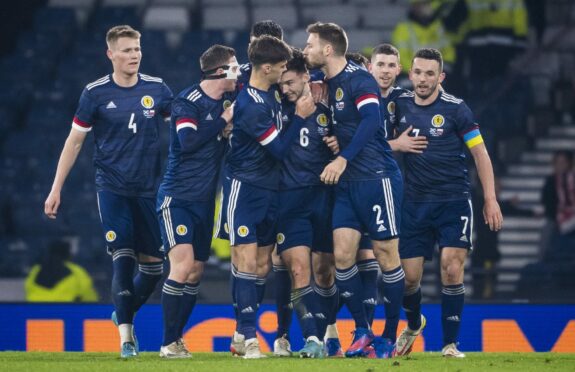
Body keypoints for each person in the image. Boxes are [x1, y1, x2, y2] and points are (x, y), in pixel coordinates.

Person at [44, 25, 173, 358]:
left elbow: (184, 126)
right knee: (122, 260)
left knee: (154, 268)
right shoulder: (95, 93)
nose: (134, 55)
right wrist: (56, 187)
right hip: (112, 187)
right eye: (127, 50)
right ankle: (126, 338)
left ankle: (123, 313)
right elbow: (74, 142)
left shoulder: (157, 89)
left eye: (137, 49)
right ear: (111, 54)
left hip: (148, 189)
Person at [391, 48, 502, 358]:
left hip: (453, 202)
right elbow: (374, 142)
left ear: (440, 76)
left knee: (451, 269)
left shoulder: (457, 109)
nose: (423, 79)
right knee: (409, 278)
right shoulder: (397, 105)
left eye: (430, 73)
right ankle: (414, 324)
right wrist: (396, 144)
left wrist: (490, 199)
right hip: (413, 204)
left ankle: (450, 344)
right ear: (410, 74)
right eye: (418, 72)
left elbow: (480, 154)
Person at [304, 22, 405, 359]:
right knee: (343, 256)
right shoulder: (324, 83)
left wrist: (343, 157)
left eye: (311, 44)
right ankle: (362, 330)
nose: (307, 49)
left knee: (387, 256)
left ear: (328, 50)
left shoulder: (360, 79)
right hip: (347, 184)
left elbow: (372, 121)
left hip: (377, 178)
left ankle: (389, 336)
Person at [221, 35, 314, 359]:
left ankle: (238, 333)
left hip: (269, 192)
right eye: (281, 67)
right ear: (266, 68)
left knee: (261, 266)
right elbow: (278, 150)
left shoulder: (270, 97)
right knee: (246, 262)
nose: (284, 71)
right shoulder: (249, 104)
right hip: (245, 190)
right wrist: (301, 117)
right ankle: (248, 338)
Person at [156, 44, 238, 358]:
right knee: (183, 265)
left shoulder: (230, 97)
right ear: (220, 72)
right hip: (177, 198)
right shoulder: (187, 101)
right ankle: (167, 342)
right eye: (233, 67)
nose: (238, 72)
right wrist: (223, 121)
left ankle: (176, 339)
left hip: (204, 202)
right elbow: (187, 141)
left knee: (195, 272)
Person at [275, 48, 340, 358]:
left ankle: (329, 332)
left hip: (325, 198)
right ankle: (311, 339)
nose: (284, 89)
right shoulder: (277, 107)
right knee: (299, 270)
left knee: (326, 273)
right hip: (289, 201)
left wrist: (338, 145)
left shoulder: (329, 102)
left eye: (289, 82)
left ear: (305, 76)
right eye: (281, 84)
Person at [369, 43, 429, 153]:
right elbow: (355, 146)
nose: (385, 70)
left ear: (398, 69)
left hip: (391, 168)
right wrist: (396, 144)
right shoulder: (357, 98)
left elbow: (439, 105)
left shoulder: (402, 97)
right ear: (370, 68)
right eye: (380, 64)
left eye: (391, 65)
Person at [25, 240, 98, 302]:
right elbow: (90, 297)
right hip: (65, 311)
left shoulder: (36, 270)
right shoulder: (76, 271)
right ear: (68, 254)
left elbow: (28, 289)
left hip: (35, 310)